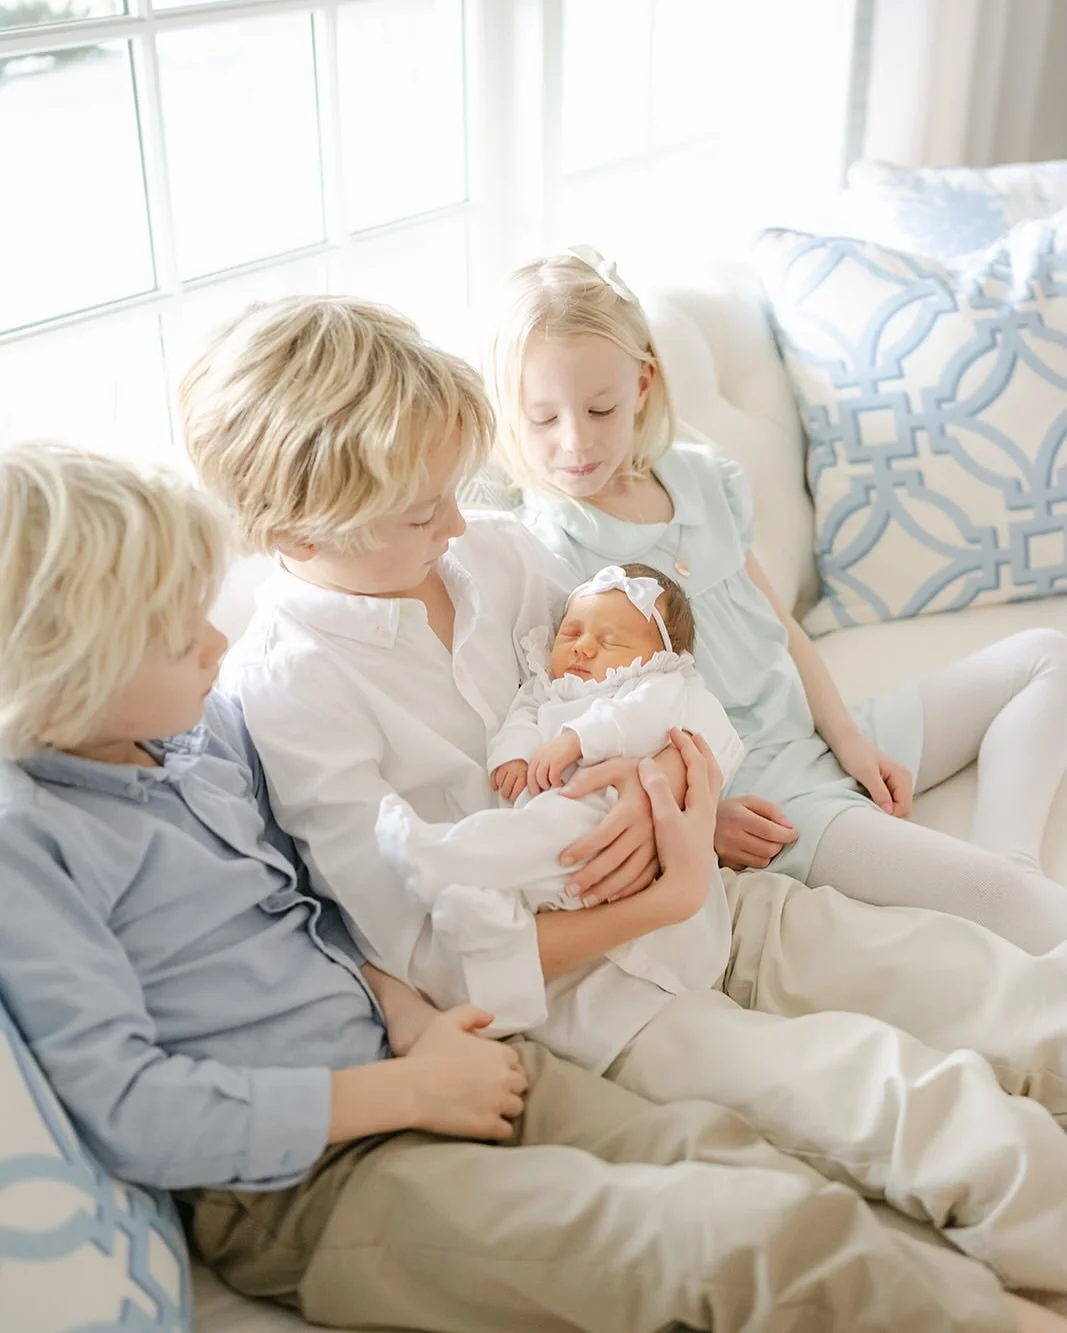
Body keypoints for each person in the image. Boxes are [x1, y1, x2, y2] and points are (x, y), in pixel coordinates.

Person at [1, 443, 1046, 1333]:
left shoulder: (195, 745)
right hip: (310, 1168)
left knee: (763, 1171)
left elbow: (321, 920)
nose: (215, 644)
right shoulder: (39, 835)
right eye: (181, 633)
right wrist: (402, 1085)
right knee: (760, 1236)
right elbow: (133, 1104)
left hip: (447, 1050)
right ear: (63, 666)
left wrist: (417, 1029)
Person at [185, 294, 1067, 1300]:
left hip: (719, 892)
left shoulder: (503, 556)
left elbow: (660, 692)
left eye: (450, 488)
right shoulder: (288, 689)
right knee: (917, 1107)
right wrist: (656, 893)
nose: (456, 520)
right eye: (420, 509)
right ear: (295, 525)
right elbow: (427, 958)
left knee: (1002, 989)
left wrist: (673, 793)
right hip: (593, 998)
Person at [484, 245, 1067, 955]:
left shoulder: (698, 478)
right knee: (998, 901)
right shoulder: (545, 548)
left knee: (1046, 655)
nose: (574, 441)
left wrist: (848, 736)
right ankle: (1006, 883)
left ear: (641, 386)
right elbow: (576, 724)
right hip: (763, 791)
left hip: (817, 736)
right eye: (543, 418)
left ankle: (1010, 853)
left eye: (598, 408)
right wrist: (704, 816)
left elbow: (780, 624)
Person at [376, 560, 744, 1068]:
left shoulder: (656, 686)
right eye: (571, 631)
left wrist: (577, 738)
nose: (583, 647)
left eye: (610, 641)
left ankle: (444, 858)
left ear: (661, 656)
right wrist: (512, 754)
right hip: (557, 825)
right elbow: (522, 716)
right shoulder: (548, 688)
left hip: (606, 812)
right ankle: (459, 889)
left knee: (538, 835)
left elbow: (634, 718)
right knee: (522, 850)